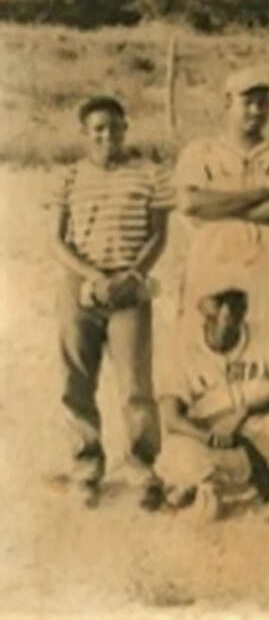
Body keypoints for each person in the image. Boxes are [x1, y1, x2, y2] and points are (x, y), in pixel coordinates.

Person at [49, 95, 173, 509]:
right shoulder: (69, 176)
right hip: (81, 287)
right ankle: (86, 467)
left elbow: (159, 235)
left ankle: (142, 468)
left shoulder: (150, 175)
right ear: (85, 134)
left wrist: (132, 276)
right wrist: (94, 277)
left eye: (115, 127)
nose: (108, 136)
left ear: (126, 129)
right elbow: (56, 240)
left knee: (136, 383)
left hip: (130, 288)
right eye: (98, 129)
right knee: (77, 380)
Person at [156, 287, 269, 534]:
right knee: (175, 452)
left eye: (235, 300)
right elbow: (171, 418)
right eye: (219, 300)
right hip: (220, 445)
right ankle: (208, 489)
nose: (227, 310)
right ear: (202, 306)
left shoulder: (264, 336)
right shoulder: (183, 349)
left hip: (268, 437)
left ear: (245, 307)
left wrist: (244, 412)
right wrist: (212, 436)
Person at [173, 67, 269, 332]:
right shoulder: (200, 151)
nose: (256, 111)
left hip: (267, 263)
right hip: (212, 261)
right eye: (248, 103)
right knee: (206, 342)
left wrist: (220, 207)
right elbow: (190, 203)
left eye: (263, 103)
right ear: (228, 103)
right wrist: (258, 195)